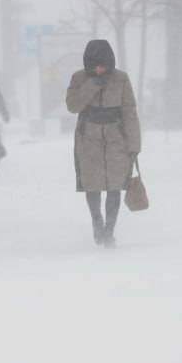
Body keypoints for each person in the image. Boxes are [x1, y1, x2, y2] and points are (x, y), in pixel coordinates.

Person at [66, 39, 141, 248]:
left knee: (115, 185)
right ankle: (97, 222)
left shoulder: (121, 79)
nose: (99, 68)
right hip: (88, 139)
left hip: (116, 139)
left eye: (103, 64)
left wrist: (134, 144)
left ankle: (109, 230)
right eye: (95, 64)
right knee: (93, 185)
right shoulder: (79, 78)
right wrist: (91, 85)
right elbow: (72, 105)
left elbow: (129, 112)